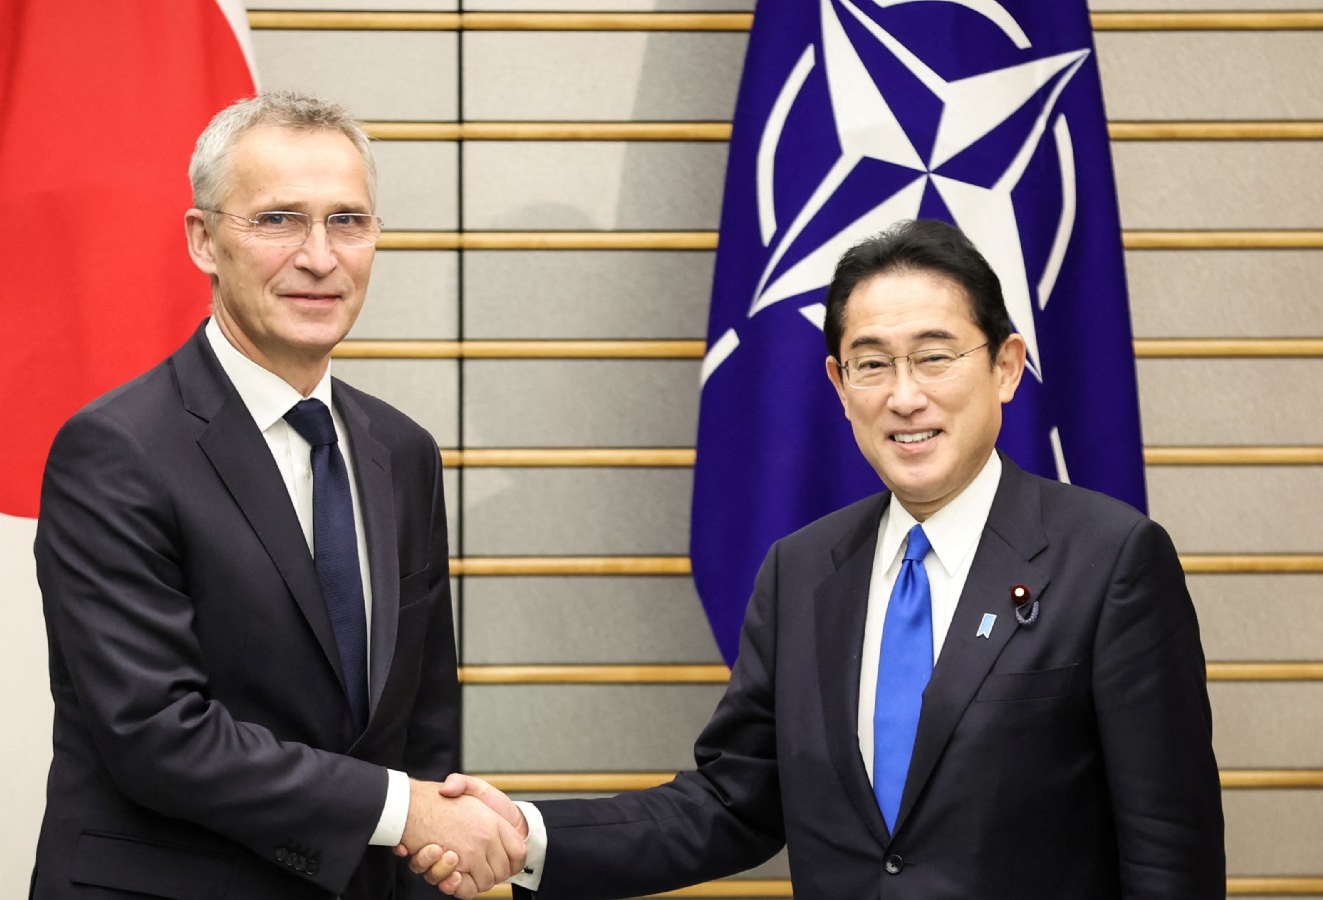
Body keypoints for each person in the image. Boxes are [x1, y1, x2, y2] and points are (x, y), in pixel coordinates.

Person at [409, 218, 1225, 899]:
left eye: (936, 356)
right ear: (839, 384)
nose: (904, 395)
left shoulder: (1111, 560)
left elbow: (1168, 853)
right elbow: (732, 804)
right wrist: (528, 834)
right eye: (872, 364)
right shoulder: (803, 573)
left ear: (1005, 367)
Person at [29, 91, 524, 899]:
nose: (320, 257)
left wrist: (434, 840)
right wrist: (406, 812)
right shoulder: (116, 451)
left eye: (348, 221)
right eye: (279, 220)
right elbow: (158, 735)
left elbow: (423, 727)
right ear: (204, 241)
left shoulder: (402, 451)